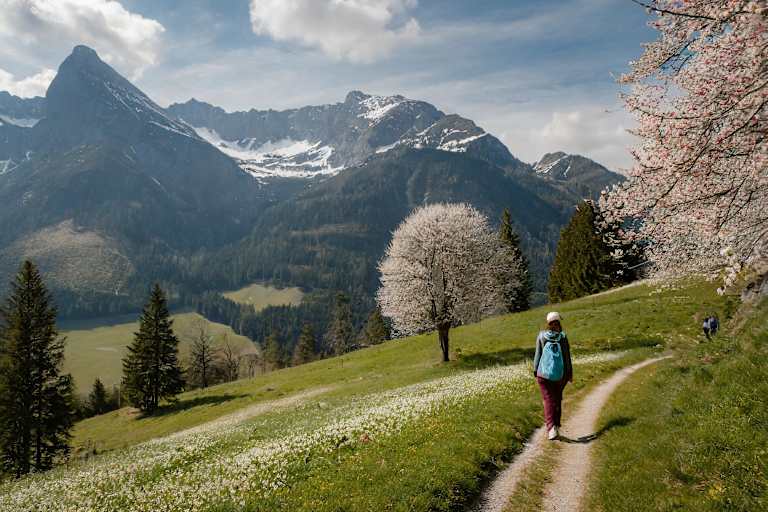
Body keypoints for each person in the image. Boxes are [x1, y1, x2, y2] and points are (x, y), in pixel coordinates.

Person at [533, 311, 573, 440]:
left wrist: (536, 371)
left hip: (543, 375)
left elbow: (538, 355)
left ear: (548, 323)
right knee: (557, 399)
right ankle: (556, 426)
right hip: (560, 375)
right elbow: (567, 357)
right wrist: (569, 374)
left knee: (548, 399)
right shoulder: (563, 337)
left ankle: (551, 429)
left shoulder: (541, 336)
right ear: (558, 323)